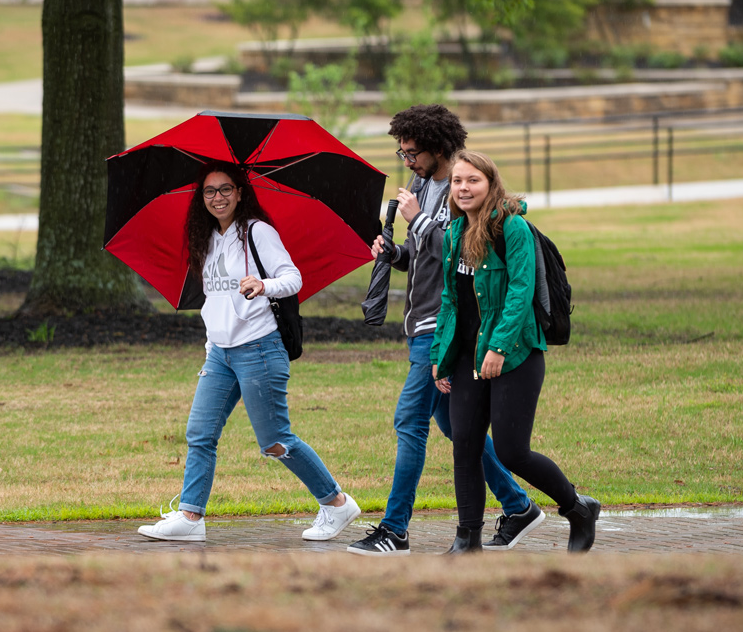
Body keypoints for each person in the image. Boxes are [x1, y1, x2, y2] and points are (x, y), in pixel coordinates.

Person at [348, 105, 543, 557]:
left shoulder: (456, 191)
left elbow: (463, 253)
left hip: (445, 326)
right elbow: (425, 258)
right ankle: (517, 507)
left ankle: (395, 529)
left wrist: (416, 221)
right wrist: (394, 251)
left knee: (410, 420)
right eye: (400, 152)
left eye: (412, 151)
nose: (406, 160)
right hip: (421, 323)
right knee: (456, 428)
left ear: (436, 148)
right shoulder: (420, 185)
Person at [138, 160, 361, 542]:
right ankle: (190, 518)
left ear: (240, 193)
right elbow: (215, 300)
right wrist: (211, 347)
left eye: (225, 189)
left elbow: (293, 278)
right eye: (209, 191)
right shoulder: (207, 239)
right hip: (221, 354)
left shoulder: (258, 232)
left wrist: (263, 284)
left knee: (275, 442)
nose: (217, 197)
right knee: (200, 432)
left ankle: (337, 503)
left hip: (259, 348)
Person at [431, 149, 601, 554]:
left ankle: (577, 508)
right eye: (457, 181)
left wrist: (498, 347)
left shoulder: (512, 229)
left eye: (473, 180)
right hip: (467, 358)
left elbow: (521, 292)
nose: (464, 188)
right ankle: (466, 540)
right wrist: (441, 354)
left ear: (490, 183)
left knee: (511, 451)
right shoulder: (453, 234)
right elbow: (450, 300)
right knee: (465, 446)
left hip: (516, 355)